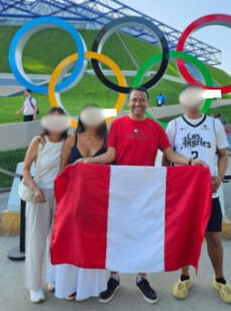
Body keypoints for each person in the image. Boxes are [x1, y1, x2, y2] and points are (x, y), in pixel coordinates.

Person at [76, 87, 207, 304]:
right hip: (121, 190)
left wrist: (191, 162)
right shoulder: (117, 124)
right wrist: (89, 161)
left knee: (144, 232)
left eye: (142, 100)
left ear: (148, 103)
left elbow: (170, 153)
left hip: (147, 191)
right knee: (118, 232)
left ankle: (142, 278)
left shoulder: (155, 127)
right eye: (134, 100)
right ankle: (114, 277)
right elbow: (111, 154)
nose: (138, 103)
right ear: (129, 102)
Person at [164, 83, 231, 304]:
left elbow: (223, 155)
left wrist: (220, 178)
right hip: (183, 194)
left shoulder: (214, 125)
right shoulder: (174, 125)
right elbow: (167, 158)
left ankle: (220, 279)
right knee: (185, 236)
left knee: (213, 236)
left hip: (208, 191)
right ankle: (184, 277)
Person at [46, 104, 110, 302]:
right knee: (70, 242)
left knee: (92, 243)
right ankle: (68, 284)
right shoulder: (72, 140)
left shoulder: (108, 142)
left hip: (98, 203)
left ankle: (89, 285)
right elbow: (62, 171)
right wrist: (61, 200)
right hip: (72, 202)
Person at [22, 107, 69, 303]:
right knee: (36, 241)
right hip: (39, 195)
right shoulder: (38, 141)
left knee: (56, 240)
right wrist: (34, 189)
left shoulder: (68, 142)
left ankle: (53, 278)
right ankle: (34, 286)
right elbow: (25, 169)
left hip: (60, 195)